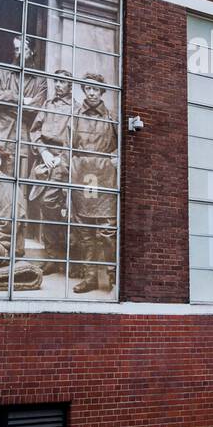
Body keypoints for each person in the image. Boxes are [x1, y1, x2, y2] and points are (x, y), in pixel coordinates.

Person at [71, 74, 118, 294]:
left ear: (101, 92)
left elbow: (123, 145)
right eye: (88, 88)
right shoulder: (75, 116)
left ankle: (110, 276)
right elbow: (68, 146)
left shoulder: (111, 116)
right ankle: (89, 277)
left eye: (96, 89)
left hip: (105, 175)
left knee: (107, 229)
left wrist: (116, 158)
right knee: (85, 229)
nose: (91, 93)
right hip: (83, 175)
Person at [0, 36, 47, 174]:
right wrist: (19, 99)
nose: (20, 52)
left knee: (17, 170)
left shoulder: (40, 79)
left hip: (22, 129)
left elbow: (36, 107)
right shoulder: (3, 72)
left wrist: (6, 104)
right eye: (16, 49)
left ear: (32, 51)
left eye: (24, 49)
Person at [27, 71, 75, 274]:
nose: (58, 85)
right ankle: (53, 256)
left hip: (62, 162)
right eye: (57, 81)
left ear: (70, 86)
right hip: (44, 158)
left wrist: (59, 157)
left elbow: (75, 138)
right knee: (43, 205)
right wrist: (44, 151)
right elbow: (35, 131)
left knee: (56, 205)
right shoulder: (47, 105)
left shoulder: (76, 108)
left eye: (63, 82)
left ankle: (65, 257)